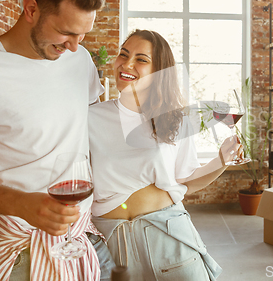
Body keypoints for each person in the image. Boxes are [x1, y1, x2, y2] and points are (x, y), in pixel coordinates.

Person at [0, 0, 115, 281]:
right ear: (31, 9)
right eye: (66, 32)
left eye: (83, 34)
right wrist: (21, 204)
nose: (76, 46)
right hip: (17, 249)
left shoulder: (79, 60)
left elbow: (93, 125)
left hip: (84, 238)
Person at [89, 29, 242, 280]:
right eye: (123, 54)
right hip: (113, 244)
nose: (126, 64)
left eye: (141, 59)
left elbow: (185, 180)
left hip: (169, 235)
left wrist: (222, 161)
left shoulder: (174, 120)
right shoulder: (91, 117)